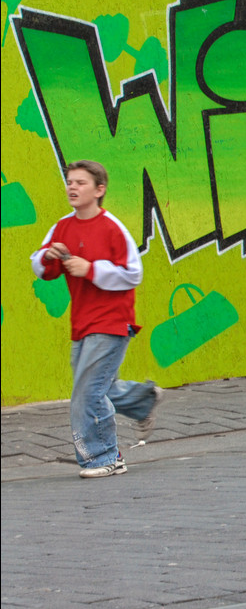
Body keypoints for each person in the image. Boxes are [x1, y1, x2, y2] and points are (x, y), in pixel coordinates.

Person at [30, 160, 163, 478]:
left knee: (86, 393)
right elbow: (41, 266)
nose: (72, 187)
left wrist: (90, 269)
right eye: (69, 181)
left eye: (80, 182)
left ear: (99, 190)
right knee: (93, 386)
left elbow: (133, 274)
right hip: (82, 323)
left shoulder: (112, 228)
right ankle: (142, 400)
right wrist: (48, 256)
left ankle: (105, 457)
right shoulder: (62, 226)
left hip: (113, 322)